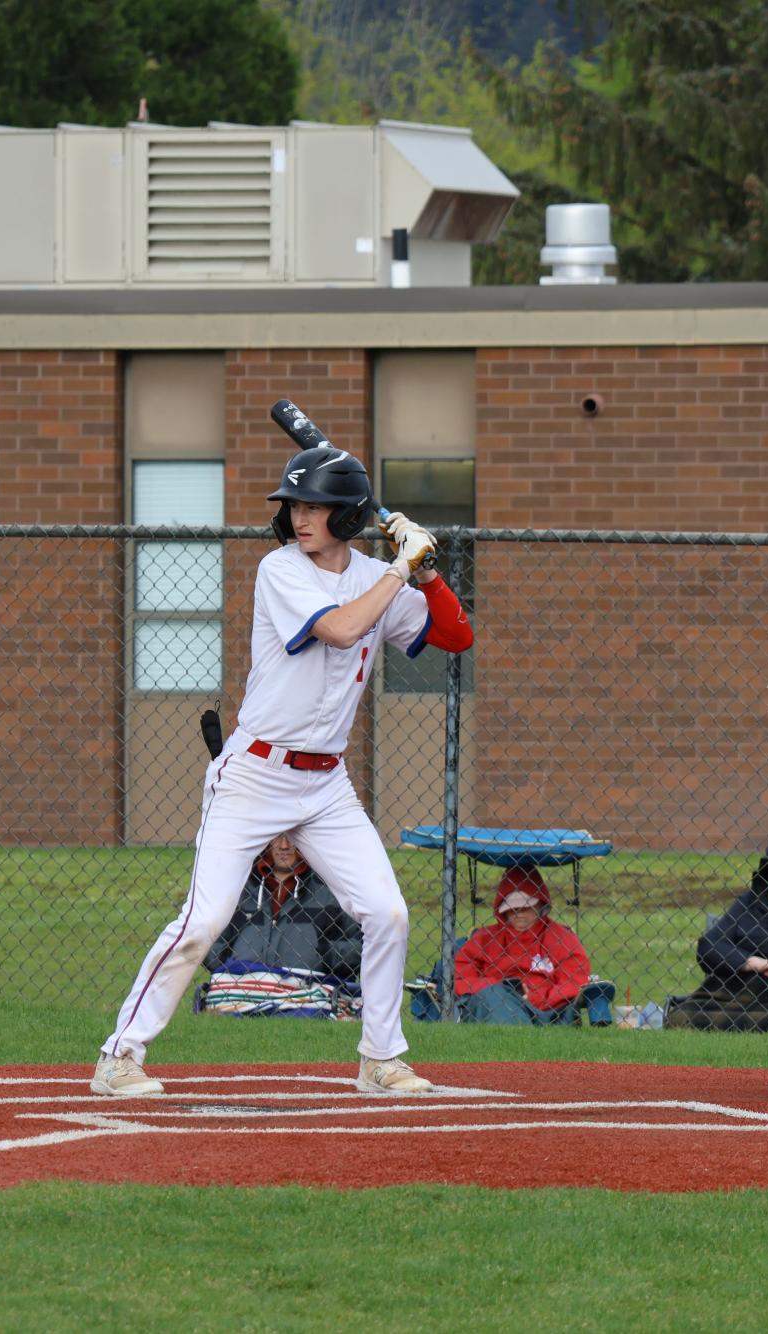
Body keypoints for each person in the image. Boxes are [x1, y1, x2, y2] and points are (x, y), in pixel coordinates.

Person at [92, 436, 474, 1097]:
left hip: (324, 784)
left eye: (316, 506)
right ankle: (119, 1055)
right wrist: (396, 569)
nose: (300, 517)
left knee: (385, 913)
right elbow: (342, 629)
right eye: (294, 504)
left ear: (347, 515)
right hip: (254, 776)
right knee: (202, 921)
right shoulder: (282, 570)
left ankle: (380, 1059)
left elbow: (455, 636)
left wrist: (428, 571)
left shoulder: (370, 578)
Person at [662, 832, 768, 1032]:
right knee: (680, 1017)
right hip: (739, 992)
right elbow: (709, 947)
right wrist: (757, 963)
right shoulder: (749, 903)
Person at [202, 832, 362, 982]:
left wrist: (322, 954)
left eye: (292, 836)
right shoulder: (240, 887)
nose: (284, 845)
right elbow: (208, 939)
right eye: (277, 836)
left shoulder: (331, 888)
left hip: (308, 994)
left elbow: (361, 945)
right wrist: (228, 960)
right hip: (242, 990)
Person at [451, 865, 591, 1024]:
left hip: (546, 1012)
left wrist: (531, 998)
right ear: (502, 909)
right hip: (493, 1004)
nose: (519, 913)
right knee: (492, 998)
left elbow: (574, 982)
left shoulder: (561, 938)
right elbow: (458, 979)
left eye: (526, 906)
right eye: (513, 908)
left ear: (540, 904)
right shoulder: (484, 938)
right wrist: (501, 989)